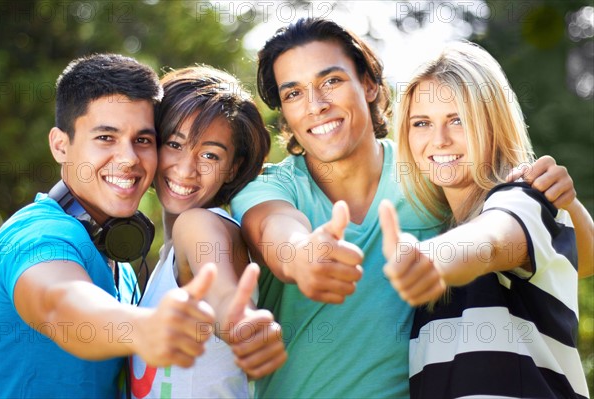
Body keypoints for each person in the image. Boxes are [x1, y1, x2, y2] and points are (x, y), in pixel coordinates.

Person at [230, 18, 586, 398]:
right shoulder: (271, 186)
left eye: (331, 81)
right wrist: (301, 256)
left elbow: (542, 247)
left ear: (369, 84)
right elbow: (273, 229)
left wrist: (563, 201)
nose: (316, 105)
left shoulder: (431, 169)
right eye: (294, 93)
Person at [0, 54, 218, 398]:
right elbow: (60, 303)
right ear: (60, 145)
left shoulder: (118, 263)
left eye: (142, 140)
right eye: (106, 138)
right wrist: (143, 327)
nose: (129, 158)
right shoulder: (36, 235)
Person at [379, 40, 591, 398]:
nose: (439, 140)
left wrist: (433, 259)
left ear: (491, 124)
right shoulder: (440, 225)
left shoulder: (522, 196)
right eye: (422, 123)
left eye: (457, 120)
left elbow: (489, 242)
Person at [130, 65, 286, 398]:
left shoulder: (200, 223)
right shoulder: (167, 254)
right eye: (174, 144)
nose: (186, 169)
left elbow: (219, 283)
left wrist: (236, 316)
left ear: (233, 168)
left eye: (209, 155)